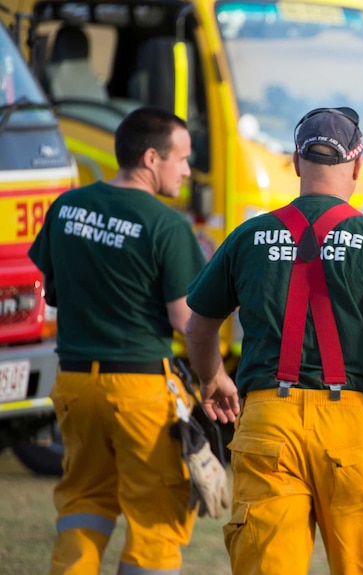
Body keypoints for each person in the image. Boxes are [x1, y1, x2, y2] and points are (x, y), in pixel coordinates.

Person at [184, 106, 363, 575]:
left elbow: (199, 324)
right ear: (357, 164)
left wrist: (213, 378)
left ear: (295, 161)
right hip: (351, 430)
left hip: (269, 423)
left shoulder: (249, 236)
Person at [28, 106, 208, 574]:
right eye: (182, 158)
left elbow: (51, 290)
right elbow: (182, 319)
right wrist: (216, 376)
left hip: (74, 384)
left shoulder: (66, 207)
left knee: (84, 503)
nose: (188, 170)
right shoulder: (167, 225)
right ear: (152, 158)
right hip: (139, 389)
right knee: (156, 519)